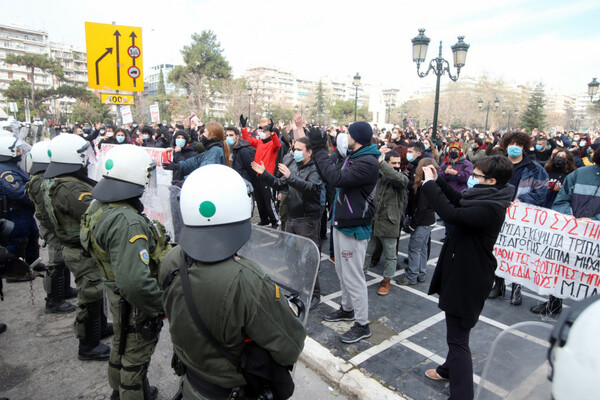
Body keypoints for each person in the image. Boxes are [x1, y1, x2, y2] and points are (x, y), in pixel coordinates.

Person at [159, 164, 306, 400]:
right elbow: (290, 348)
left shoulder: (172, 260)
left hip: (190, 383)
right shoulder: (247, 280)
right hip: (230, 393)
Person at [421, 156, 515, 400]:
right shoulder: (487, 195)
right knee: (457, 331)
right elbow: (458, 199)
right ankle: (448, 369)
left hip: (469, 278)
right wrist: (439, 180)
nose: (473, 178)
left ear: (492, 181)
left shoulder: (490, 208)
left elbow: (452, 214)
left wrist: (428, 186)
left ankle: (462, 395)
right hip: (461, 270)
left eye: (478, 176)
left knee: (458, 338)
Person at [81, 145, 169, 400]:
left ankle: (122, 391)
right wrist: (161, 305)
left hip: (114, 290)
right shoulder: (127, 221)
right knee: (136, 352)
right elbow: (136, 283)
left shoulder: (99, 205)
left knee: (120, 345)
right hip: (132, 300)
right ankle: (131, 393)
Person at [307, 122, 380, 344]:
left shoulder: (367, 162)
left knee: (354, 277)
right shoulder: (354, 156)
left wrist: (319, 148)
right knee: (342, 271)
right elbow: (329, 172)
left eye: (348, 133)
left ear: (357, 137)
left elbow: (336, 178)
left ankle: (362, 324)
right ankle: (347, 309)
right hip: (341, 222)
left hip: (354, 227)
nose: (344, 135)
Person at [42, 133, 112, 361]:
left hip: (79, 247)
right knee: (90, 295)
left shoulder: (64, 180)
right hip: (79, 249)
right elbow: (95, 212)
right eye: (82, 156)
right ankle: (88, 344)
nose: (86, 160)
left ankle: (99, 328)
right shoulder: (70, 189)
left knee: (95, 290)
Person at [251, 136, 323, 309]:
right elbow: (279, 183)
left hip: (307, 220)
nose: (295, 152)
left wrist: (291, 177)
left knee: (309, 258)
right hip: (292, 217)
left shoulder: (315, 169)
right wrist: (264, 174)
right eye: (294, 149)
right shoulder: (293, 164)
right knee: (291, 256)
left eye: (299, 149)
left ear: (309, 152)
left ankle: (314, 294)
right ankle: (297, 288)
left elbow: (311, 188)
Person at [488, 131, 548, 304]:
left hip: (522, 217)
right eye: (511, 144)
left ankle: (516, 288)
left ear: (524, 147)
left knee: (518, 254)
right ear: (506, 145)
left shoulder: (535, 169)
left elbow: (541, 192)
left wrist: (522, 201)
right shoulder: (496, 164)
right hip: (498, 213)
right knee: (497, 251)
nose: (514, 147)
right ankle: (498, 285)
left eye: (518, 144)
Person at [25, 141, 76, 314]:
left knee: (62, 260)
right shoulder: (40, 181)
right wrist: (58, 229)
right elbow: (47, 211)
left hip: (54, 226)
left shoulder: (42, 177)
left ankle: (64, 291)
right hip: (52, 227)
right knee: (55, 263)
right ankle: (53, 300)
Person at [362, 149, 408, 295]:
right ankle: (360, 275)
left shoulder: (401, 177)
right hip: (374, 220)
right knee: (366, 251)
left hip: (390, 221)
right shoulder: (378, 176)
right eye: (393, 163)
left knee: (390, 254)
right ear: (387, 163)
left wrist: (382, 163)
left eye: (398, 163)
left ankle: (386, 280)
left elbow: (400, 180)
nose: (396, 165)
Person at [0, 135, 38, 282]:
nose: (19, 153)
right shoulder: (6, 172)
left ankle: (31, 262)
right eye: (16, 150)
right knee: (17, 240)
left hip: (24, 212)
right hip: (16, 212)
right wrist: (37, 199)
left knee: (32, 235)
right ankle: (14, 272)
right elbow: (19, 192)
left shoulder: (11, 166)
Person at [398, 158, 437, 286]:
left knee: (414, 249)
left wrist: (412, 225)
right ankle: (421, 273)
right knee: (422, 248)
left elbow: (421, 208)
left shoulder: (425, 186)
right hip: (429, 221)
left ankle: (412, 276)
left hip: (423, 222)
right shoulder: (430, 184)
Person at [241, 115, 281, 228]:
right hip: (258, 175)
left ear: (269, 132)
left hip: (267, 177)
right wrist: (244, 127)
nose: (261, 132)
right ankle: (264, 219)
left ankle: (275, 220)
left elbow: (277, 143)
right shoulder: (259, 143)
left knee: (269, 201)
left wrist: (272, 132)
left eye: (264, 131)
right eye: (261, 130)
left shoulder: (273, 144)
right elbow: (247, 140)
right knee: (260, 199)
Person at [163, 122, 229, 179]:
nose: (202, 135)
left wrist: (185, 182)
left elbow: (204, 173)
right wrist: (178, 166)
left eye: (205, 132)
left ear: (212, 135)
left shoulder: (215, 151)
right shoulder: (211, 150)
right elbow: (195, 161)